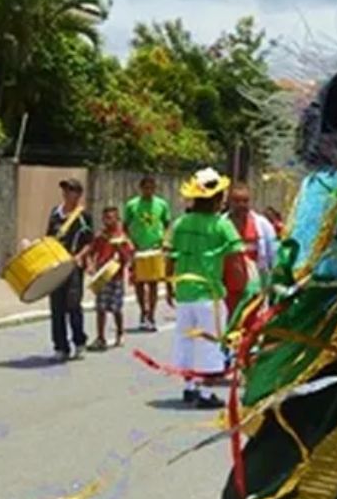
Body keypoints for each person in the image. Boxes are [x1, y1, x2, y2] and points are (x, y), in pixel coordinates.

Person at [166, 168, 245, 409]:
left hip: (184, 292)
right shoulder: (222, 226)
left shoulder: (180, 224)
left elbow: (170, 257)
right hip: (208, 294)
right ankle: (205, 391)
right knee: (209, 341)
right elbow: (236, 262)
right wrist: (240, 290)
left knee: (186, 339)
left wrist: (169, 284)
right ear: (216, 198)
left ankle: (190, 388)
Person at [47, 179, 94, 361]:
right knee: (56, 307)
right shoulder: (55, 214)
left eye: (71, 190)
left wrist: (80, 256)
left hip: (74, 266)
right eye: (65, 189)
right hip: (56, 265)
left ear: (79, 194)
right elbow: (49, 238)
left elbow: (89, 242)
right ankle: (60, 346)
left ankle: (79, 342)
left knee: (73, 304)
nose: (66, 193)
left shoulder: (84, 216)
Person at [222, 182, 279, 317]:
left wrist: (275, 283)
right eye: (237, 201)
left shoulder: (262, 224)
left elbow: (274, 254)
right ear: (230, 202)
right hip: (228, 288)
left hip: (256, 285)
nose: (241, 205)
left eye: (245, 201)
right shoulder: (221, 224)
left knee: (253, 322)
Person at [124, 176, 172, 332]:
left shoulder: (161, 204)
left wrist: (164, 240)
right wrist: (130, 242)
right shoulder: (132, 205)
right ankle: (142, 311)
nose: (149, 191)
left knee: (153, 284)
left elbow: (166, 224)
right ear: (141, 188)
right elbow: (125, 225)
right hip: (138, 249)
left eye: (152, 188)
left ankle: (151, 315)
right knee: (139, 282)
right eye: (146, 188)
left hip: (155, 248)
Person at [88, 206, 134, 351]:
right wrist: (90, 266)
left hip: (117, 276)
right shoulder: (100, 237)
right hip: (102, 275)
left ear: (117, 219)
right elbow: (90, 252)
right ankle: (100, 337)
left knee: (116, 308)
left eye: (111, 218)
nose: (108, 221)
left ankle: (120, 333)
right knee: (100, 308)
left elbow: (128, 258)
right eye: (105, 218)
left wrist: (119, 246)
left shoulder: (123, 237)